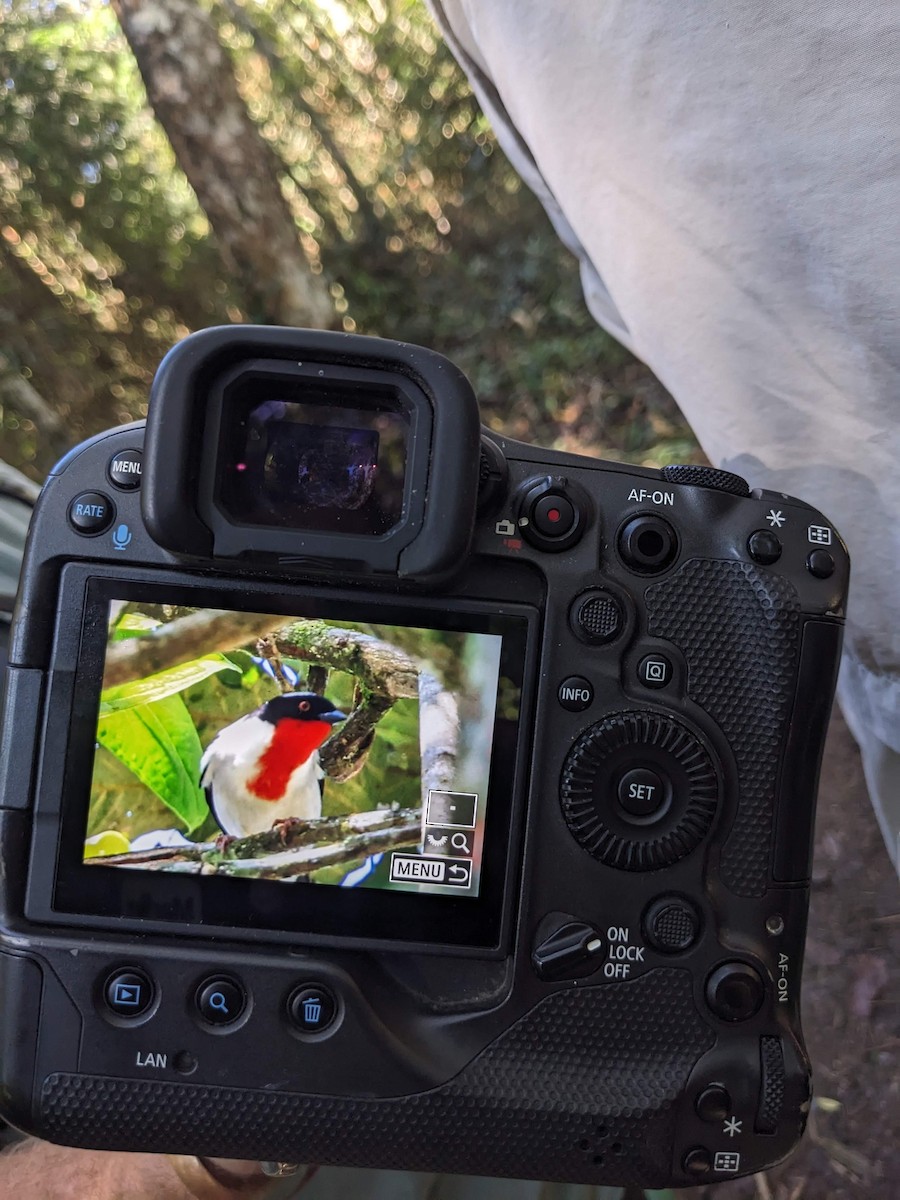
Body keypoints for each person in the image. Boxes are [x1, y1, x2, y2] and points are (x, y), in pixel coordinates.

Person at [1, 2, 895, 1195]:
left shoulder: (312, 740)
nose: (314, 733)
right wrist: (224, 1108)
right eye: (302, 722)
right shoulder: (225, 761)